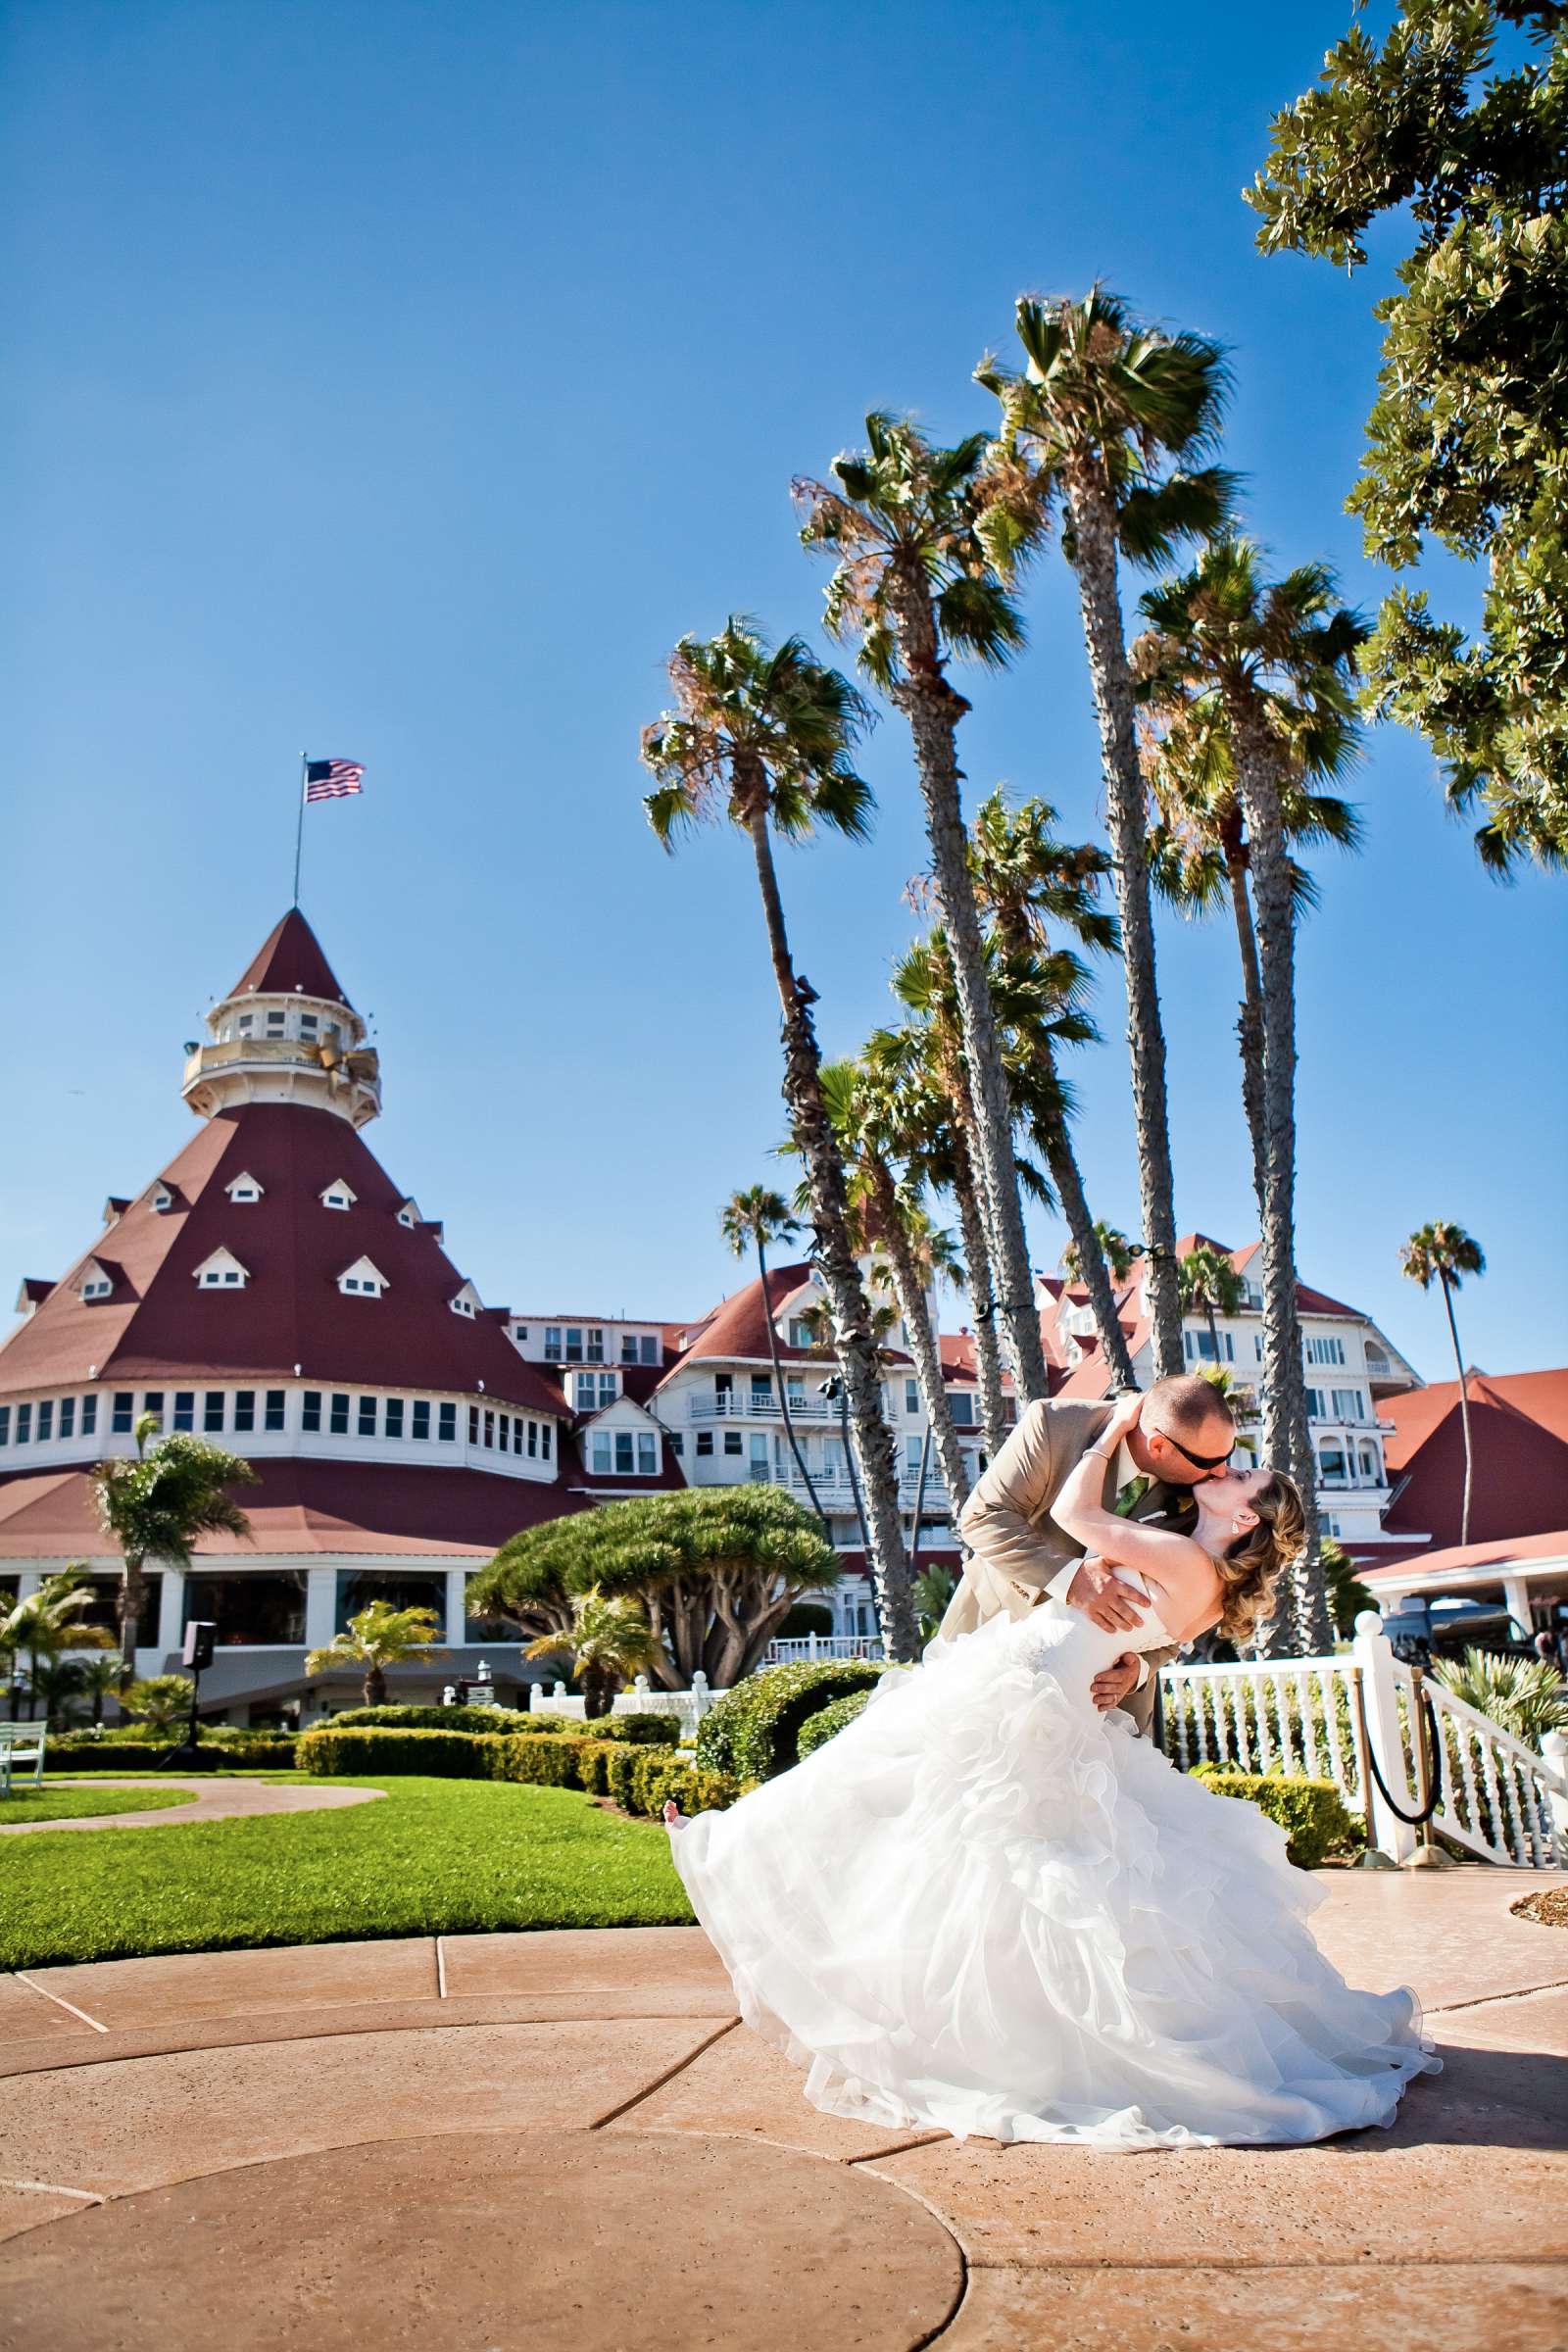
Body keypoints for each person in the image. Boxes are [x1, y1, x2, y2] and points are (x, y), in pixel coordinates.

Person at [665, 1392, 1437, 2150]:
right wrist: (1087, 1543)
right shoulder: (1060, 1432)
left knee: (955, 1835)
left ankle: (745, 1861)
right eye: (1218, 1461)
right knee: (950, 1829)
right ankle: (972, 2017)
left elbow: (1103, 1555)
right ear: (1165, 1440)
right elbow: (985, 1521)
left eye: (1237, 1468)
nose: (1226, 1467)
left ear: (1243, 1519)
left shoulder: (1183, 1527)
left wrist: (1134, 1664)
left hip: (1037, 1696)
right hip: (1008, 1661)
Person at [942, 1374, 1241, 1726]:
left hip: (1105, 1705)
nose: (1222, 1471)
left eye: (1229, 1453)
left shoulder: (1208, 1496)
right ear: (1158, 1445)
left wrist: (1141, 1669)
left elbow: (1192, 1608)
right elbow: (982, 1517)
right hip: (992, 1645)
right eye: (1209, 1461)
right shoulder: (1054, 1425)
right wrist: (1071, 1580)